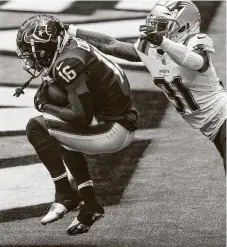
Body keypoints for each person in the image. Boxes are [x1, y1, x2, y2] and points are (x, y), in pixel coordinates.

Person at [66, 0, 227, 172]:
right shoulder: (152, 49)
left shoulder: (196, 41)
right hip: (213, 126)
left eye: (162, 25)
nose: (157, 30)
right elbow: (110, 45)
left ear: (183, 26)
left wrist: (163, 42)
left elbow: (195, 62)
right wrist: (71, 30)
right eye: (155, 25)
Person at [15, 14, 139, 235]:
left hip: (113, 130)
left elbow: (81, 117)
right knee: (57, 128)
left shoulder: (66, 63)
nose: (30, 60)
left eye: (33, 54)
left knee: (37, 127)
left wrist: (45, 106)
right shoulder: (71, 46)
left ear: (46, 49)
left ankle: (65, 193)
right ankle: (89, 205)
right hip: (116, 118)